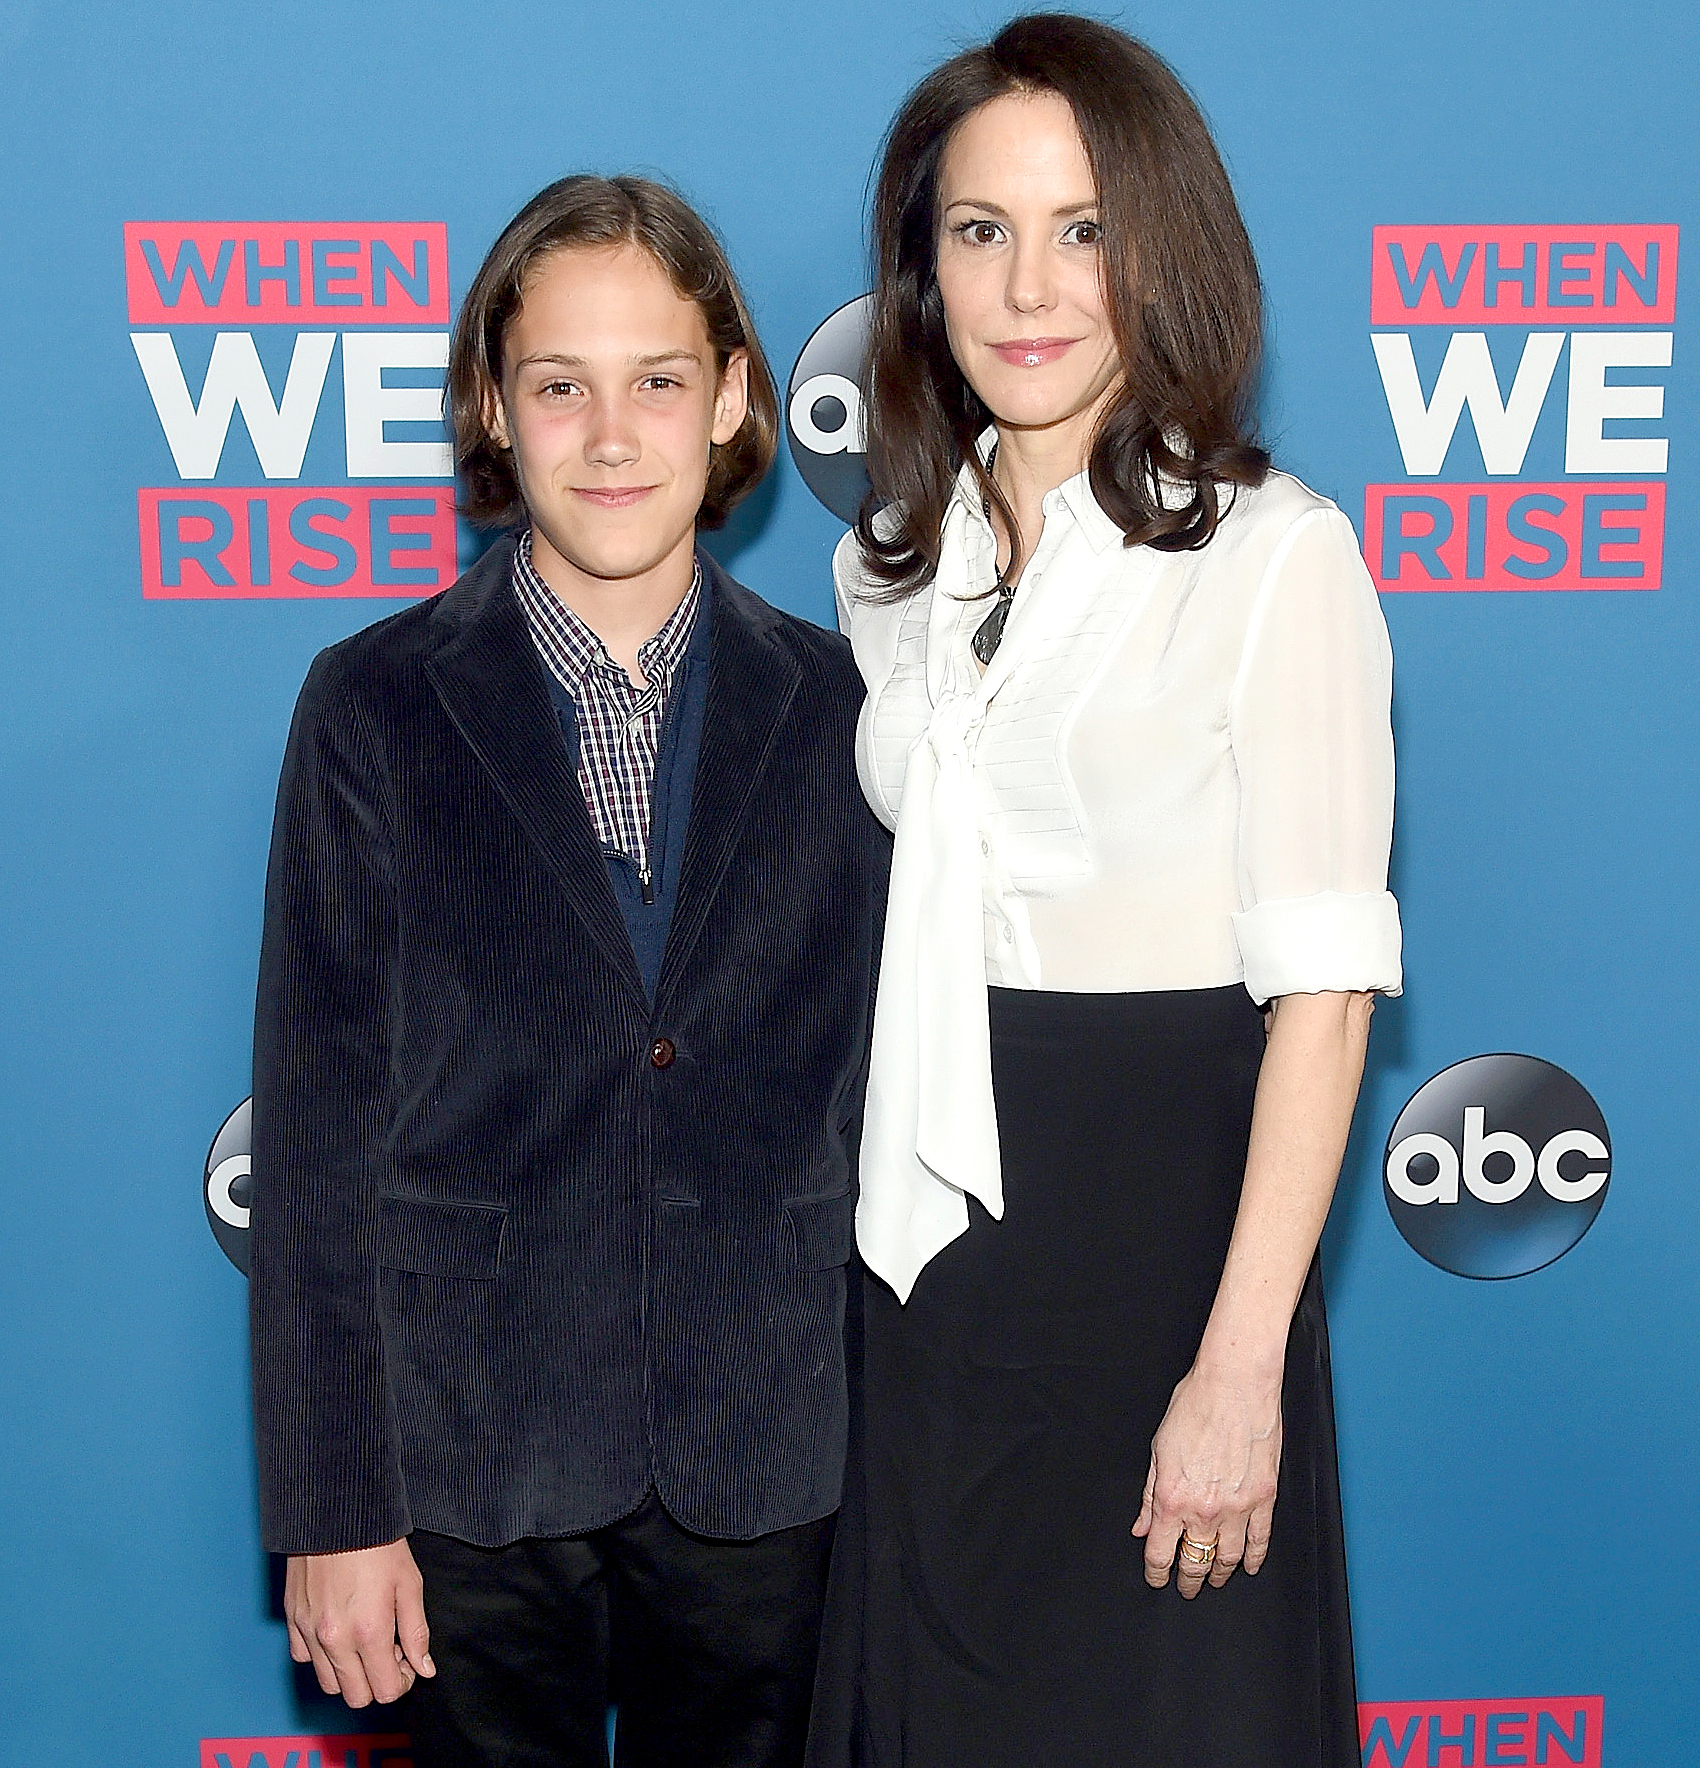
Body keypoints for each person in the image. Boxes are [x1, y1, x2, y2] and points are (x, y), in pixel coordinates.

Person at [814, 16, 1401, 1766]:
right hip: (926, 1275)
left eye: (1084, 228)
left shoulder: (1275, 558)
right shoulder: (890, 564)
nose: (1027, 285)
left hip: (1162, 1259)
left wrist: (1238, 1374)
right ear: (923, 269)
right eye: (978, 230)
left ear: (1166, 252)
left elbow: (1324, 993)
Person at [248, 174, 885, 1768]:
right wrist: (334, 1511)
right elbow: (316, 1139)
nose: (613, 438)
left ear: (735, 394)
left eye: (658, 381)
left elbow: (894, 1098)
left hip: (768, 1461)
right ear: (493, 406)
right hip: (467, 1466)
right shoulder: (375, 707)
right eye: (560, 386)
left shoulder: (842, 710)